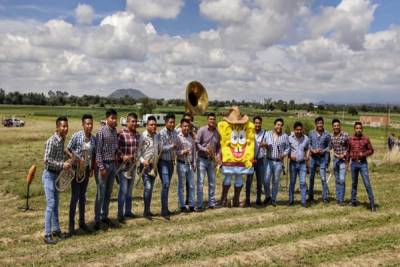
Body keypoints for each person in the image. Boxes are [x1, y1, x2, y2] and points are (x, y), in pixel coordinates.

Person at [65, 114, 96, 236]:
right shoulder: (77, 136)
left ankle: (82, 222)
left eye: (91, 124)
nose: (89, 126)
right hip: (76, 170)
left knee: (83, 197)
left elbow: (92, 155)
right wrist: (75, 159)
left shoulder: (93, 139)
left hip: (86, 170)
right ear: (83, 125)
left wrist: (91, 168)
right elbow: (67, 149)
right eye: (87, 124)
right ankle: (71, 226)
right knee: (74, 197)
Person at [42, 116, 71, 244]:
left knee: (55, 205)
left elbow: (58, 153)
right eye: (63, 126)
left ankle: (56, 230)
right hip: (49, 175)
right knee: (51, 204)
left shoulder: (61, 140)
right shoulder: (51, 141)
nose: (65, 128)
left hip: (57, 176)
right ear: (57, 127)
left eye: (66, 126)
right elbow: (47, 160)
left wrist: (68, 155)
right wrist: (62, 165)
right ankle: (47, 234)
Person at [94, 109, 118, 229]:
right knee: (100, 194)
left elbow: (115, 149)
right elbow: (98, 152)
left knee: (108, 193)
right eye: (112, 118)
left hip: (113, 165)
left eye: (115, 118)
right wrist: (102, 167)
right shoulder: (101, 131)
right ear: (107, 118)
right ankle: (97, 219)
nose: (114, 120)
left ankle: (105, 216)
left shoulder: (115, 131)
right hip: (104, 166)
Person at [116, 113, 141, 223]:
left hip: (133, 166)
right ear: (127, 122)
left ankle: (128, 211)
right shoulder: (121, 133)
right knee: (123, 190)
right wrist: (123, 156)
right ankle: (120, 214)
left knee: (130, 190)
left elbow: (138, 149)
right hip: (123, 167)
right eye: (132, 121)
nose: (135, 124)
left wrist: (137, 158)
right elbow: (116, 148)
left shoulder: (138, 135)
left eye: (136, 122)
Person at [348, 122, 376, 211]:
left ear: (362, 129)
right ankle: (353, 201)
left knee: (367, 184)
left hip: (363, 164)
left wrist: (363, 154)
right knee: (354, 183)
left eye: (360, 128)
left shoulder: (366, 139)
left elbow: (371, 150)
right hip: (353, 164)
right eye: (357, 128)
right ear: (354, 129)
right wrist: (346, 162)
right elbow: (348, 151)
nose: (358, 130)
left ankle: (372, 204)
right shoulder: (351, 139)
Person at [196, 112, 221, 211]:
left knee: (212, 183)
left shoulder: (217, 133)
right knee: (200, 182)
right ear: (207, 120)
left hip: (211, 161)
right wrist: (204, 149)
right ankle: (200, 204)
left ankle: (211, 203)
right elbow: (197, 144)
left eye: (214, 119)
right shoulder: (202, 130)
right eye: (210, 119)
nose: (212, 121)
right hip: (202, 159)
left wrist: (218, 156)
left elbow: (219, 147)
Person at [264, 118, 289, 206]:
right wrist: (264, 145)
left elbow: (288, 148)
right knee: (266, 180)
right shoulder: (268, 134)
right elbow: (264, 144)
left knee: (275, 181)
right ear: (274, 125)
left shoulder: (285, 136)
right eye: (278, 124)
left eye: (281, 125)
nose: (279, 126)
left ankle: (273, 199)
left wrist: (284, 154)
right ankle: (268, 197)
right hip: (268, 160)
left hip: (278, 162)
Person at [157, 113, 178, 219]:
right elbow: (160, 148)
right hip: (163, 162)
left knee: (167, 185)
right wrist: (171, 146)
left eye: (173, 122)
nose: (172, 124)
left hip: (171, 163)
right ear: (166, 122)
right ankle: (164, 210)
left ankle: (165, 208)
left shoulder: (175, 133)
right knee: (165, 184)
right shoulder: (161, 133)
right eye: (170, 122)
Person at [138, 116, 159, 219]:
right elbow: (138, 152)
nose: (154, 126)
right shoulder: (142, 136)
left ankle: (148, 210)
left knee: (150, 190)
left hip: (154, 167)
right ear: (146, 126)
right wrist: (143, 161)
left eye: (155, 124)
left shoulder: (157, 136)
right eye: (151, 124)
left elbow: (160, 149)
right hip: (145, 166)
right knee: (148, 187)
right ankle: (145, 212)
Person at [308, 117, 331, 204]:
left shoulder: (327, 134)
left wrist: (323, 151)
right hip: (313, 158)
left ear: (323, 124)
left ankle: (325, 198)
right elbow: (309, 144)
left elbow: (329, 146)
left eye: (321, 123)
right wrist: (313, 150)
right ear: (316, 124)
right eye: (318, 123)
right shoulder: (311, 133)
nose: (320, 125)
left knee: (323, 178)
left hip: (322, 159)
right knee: (311, 178)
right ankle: (310, 198)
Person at [245, 116, 267, 206]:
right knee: (248, 181)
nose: (257, 124)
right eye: (256, 123)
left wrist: (265, 144)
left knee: (259, 181)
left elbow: (268, 145)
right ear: (253, 123)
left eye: (259, 123)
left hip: (260, 160)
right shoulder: (249, 132)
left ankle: (258, 200)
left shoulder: (265, 133)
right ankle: (248, 200)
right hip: (250, 161)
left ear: (261, 123)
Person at [176, 118, 196, 212]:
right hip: (181, 164)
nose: (186, 128)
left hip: (190, 164)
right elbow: (175, 152)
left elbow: (194, 152)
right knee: (181, 186)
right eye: (184, 126)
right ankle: (182, 206)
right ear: (181, 126)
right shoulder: (177, 137)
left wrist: (194, 163)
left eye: (188, 126)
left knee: (192, 185)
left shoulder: (191, 138)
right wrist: (182, 152)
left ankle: (191, 205)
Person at [288, 121, 309, 207]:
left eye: (300, 129)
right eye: (297, 130)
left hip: (302, 164)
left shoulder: (306, 138)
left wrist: (307, 157)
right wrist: (289, 156)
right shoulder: (289, 138)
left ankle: (303, 201)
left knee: (303, 182)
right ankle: (291, 200)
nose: (299, 131)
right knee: (292, 182)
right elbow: (286, 149)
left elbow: (308, 149)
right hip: (293, 163)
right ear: (294, 130)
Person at [331, 119, 349, 205]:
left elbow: (349, 147)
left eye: (338, 125)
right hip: (336, 160)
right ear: (332, 127)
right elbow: (331, 148)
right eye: (334, 126)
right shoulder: (331, 136)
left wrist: (344, 154)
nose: (336, 127)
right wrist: (337, 155)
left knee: (342, 180)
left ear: (340, 126)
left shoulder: (345, 135)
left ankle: (341, 199)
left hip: (343, 161)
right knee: (337, 180)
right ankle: (337, 198)